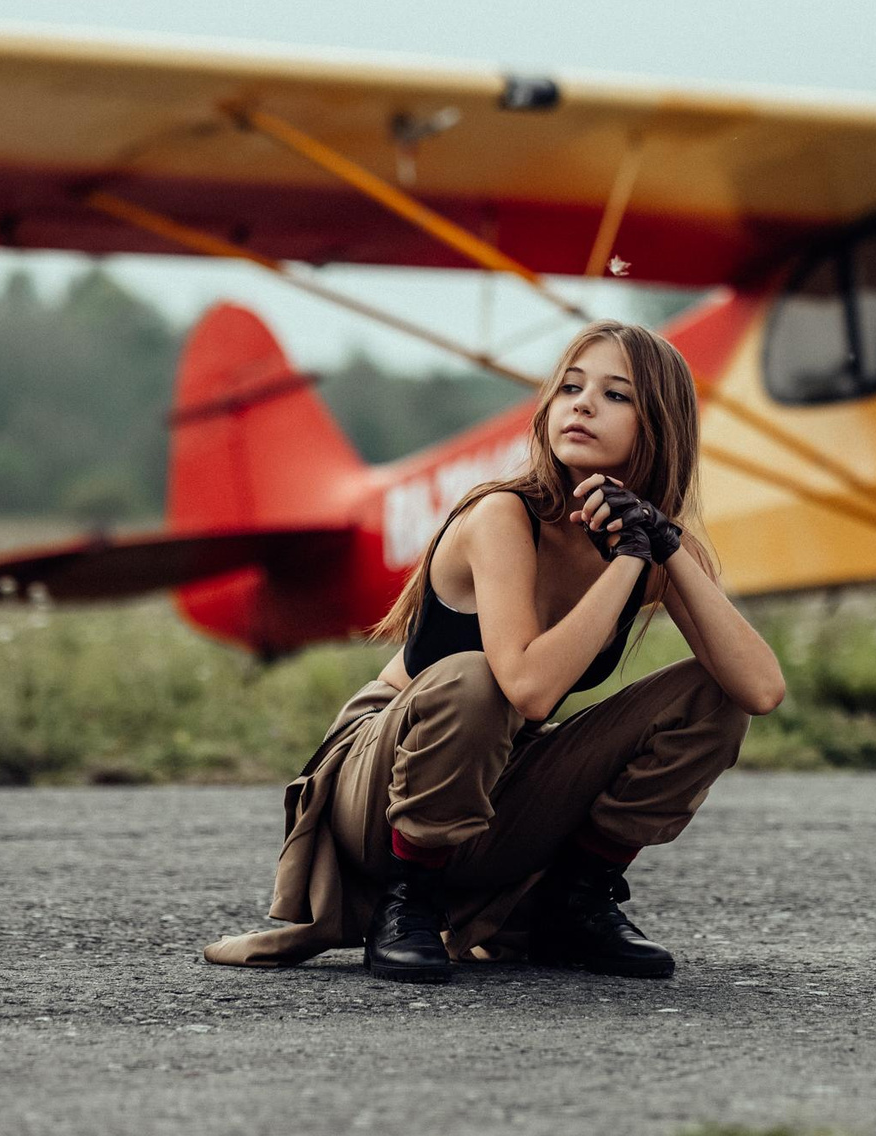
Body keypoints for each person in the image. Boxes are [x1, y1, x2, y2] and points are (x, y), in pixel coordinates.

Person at [203, 320, 787, 984]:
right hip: (378, 796)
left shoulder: (654, 543)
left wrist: (668, 547)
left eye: (616, 395)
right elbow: (528, 690)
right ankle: (409, 903)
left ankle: (575, 901)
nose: (583, 403)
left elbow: (760, 690)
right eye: (570, 385)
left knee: (716, 692)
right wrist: (629, 561)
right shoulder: (503, 517)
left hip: (493, 791)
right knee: (479, 678)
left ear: (661, 425)